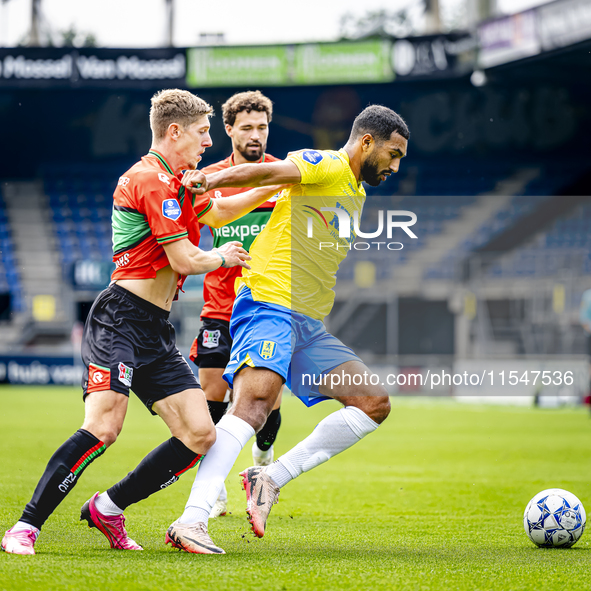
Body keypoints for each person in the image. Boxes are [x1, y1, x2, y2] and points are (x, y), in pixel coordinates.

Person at [1, 89, 282, 556]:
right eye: (201, 132)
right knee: (104, 426)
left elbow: (225, 209)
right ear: (174, 132)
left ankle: (108, 508)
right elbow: (186, 258)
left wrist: (286, 181)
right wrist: (221, 255)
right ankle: (25, 527)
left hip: (154, 328)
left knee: (199, 433)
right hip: (119, 320)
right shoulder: (150, 179)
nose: (208, 142)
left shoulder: (177, 181)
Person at [166, 104, 409, 554]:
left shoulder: (353, 190)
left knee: (373, 403)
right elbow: (267, 172)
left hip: (308, 323)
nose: (395, 166)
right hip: (269, 304)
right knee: (253, 405)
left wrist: (216, 206)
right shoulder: (328, 163)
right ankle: (192, 519)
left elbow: (230, 210)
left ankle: (270, 477)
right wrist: (212, 179)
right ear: (367, 142)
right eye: (393, 155)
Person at [189, 91, 283, 519]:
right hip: (220, 304)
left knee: (267, 406)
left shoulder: (286, 178)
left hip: (268, 306)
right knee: (212, 394)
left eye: (261, 127)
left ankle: (262, 461)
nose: (255, 135)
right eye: (246, 127)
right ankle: (215, 486)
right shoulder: (210, 176)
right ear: (228, 129)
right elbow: (190, 230)